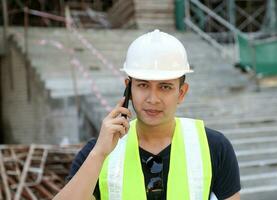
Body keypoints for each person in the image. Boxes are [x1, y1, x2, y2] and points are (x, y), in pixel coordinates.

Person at [53, 29, 241, 200]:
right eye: (143, 85)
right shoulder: (98, 151)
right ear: (129, 89)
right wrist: (99, 154)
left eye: (165, 87)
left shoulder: (213, 147)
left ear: (181, 93)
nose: (153, 99)